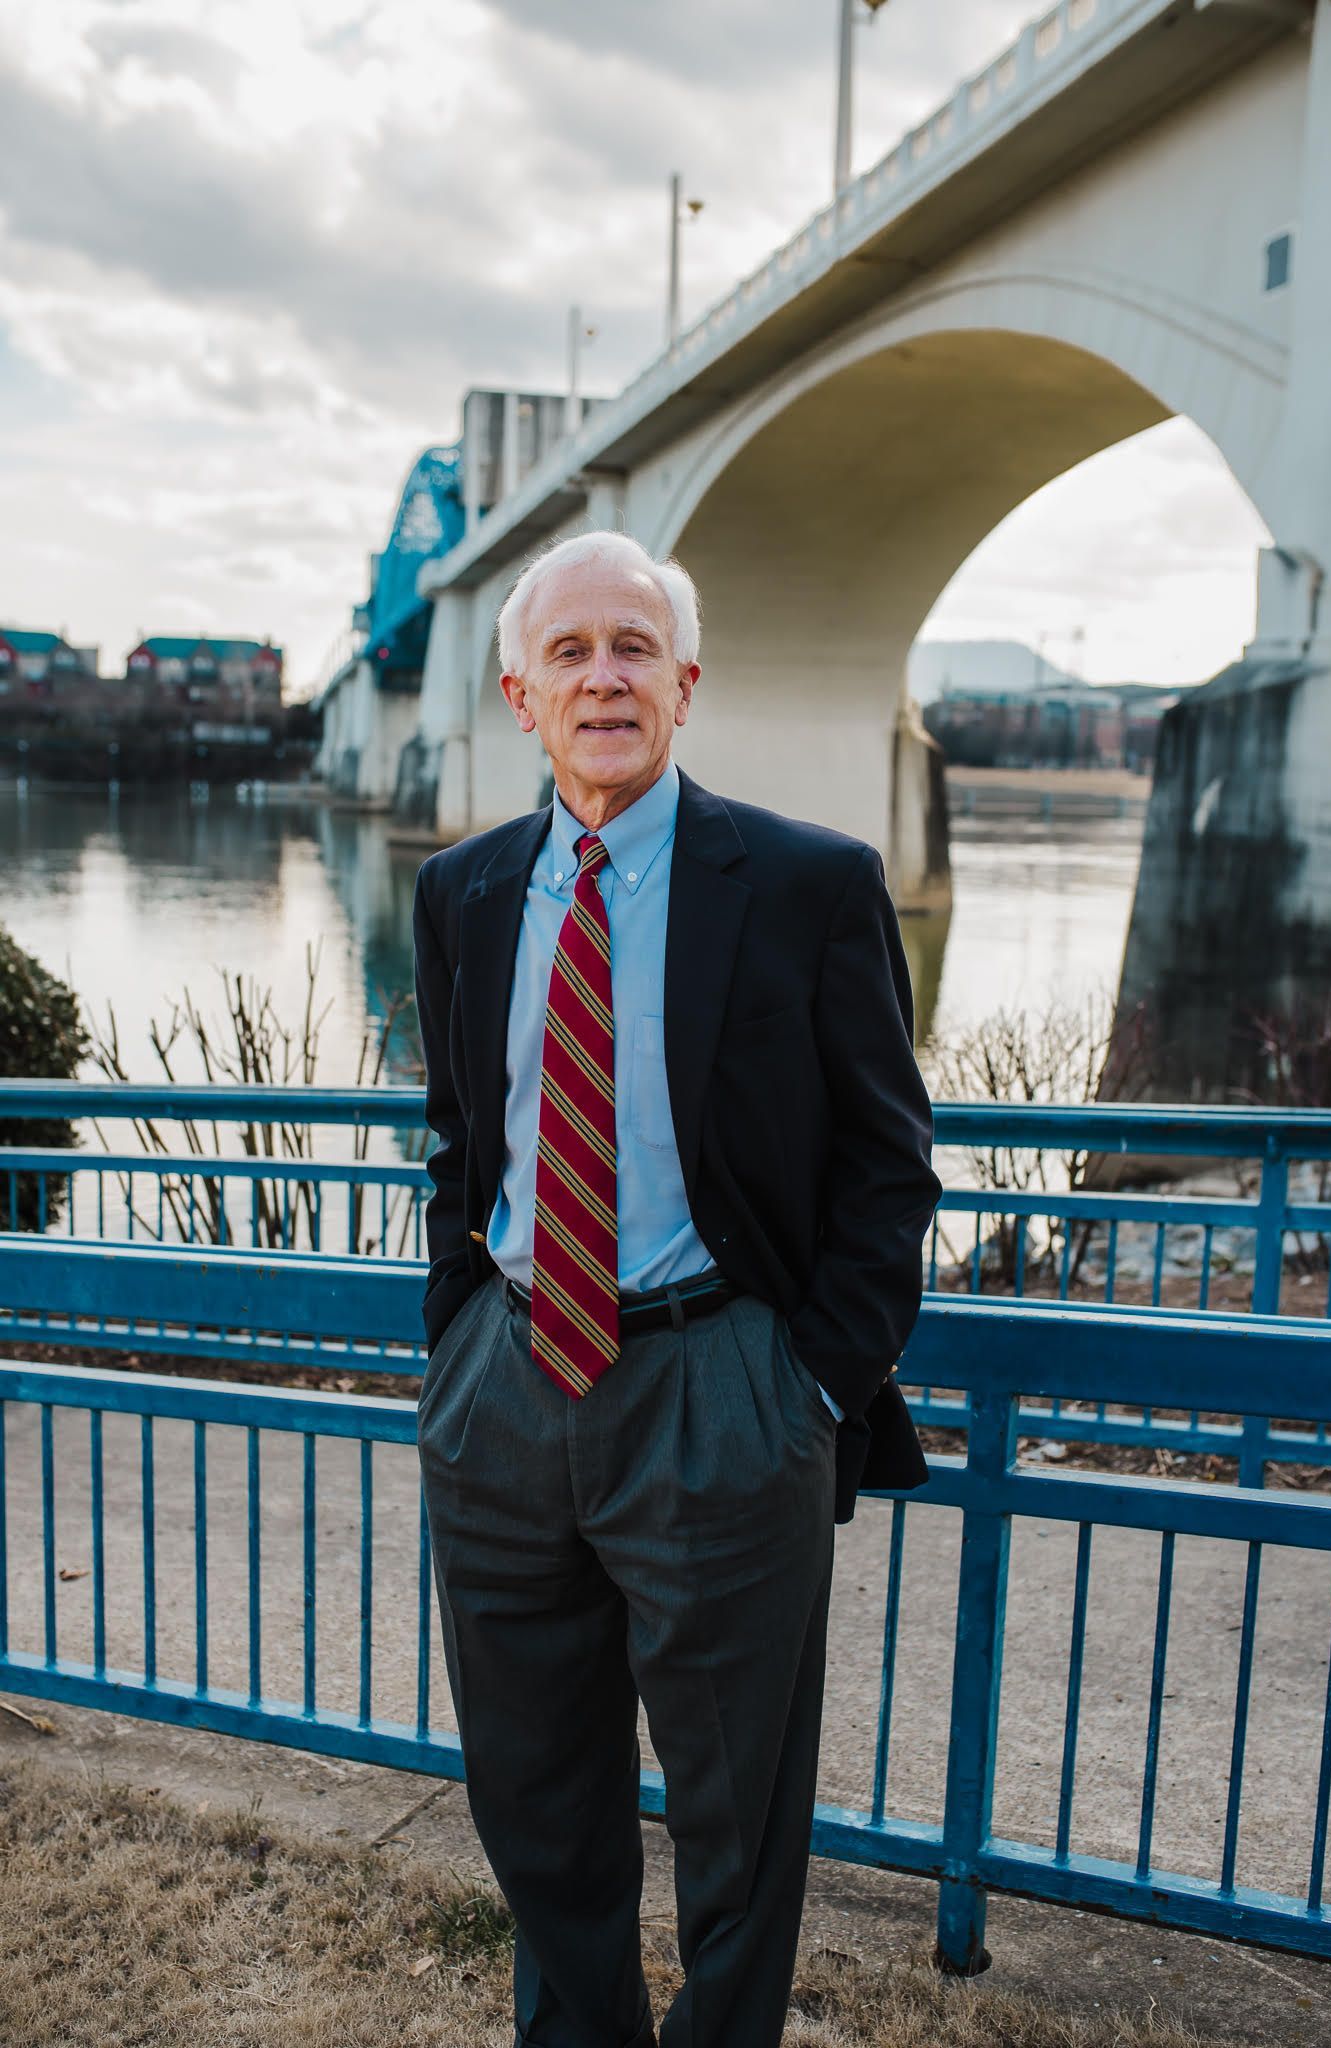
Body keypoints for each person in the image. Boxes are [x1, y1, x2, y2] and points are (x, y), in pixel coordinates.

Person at [412, 529, 940, 2048]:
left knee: (736, 1830)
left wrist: (809, 1388)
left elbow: (889, 1171)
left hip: (720, 1391)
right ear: (520, 694)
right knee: (537, 1807)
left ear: (686, 683)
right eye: (569, 653)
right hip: (505, 1394)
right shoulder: (466, 894)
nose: (603, 678)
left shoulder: (807, 885)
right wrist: (453, 1346)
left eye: (633, 647)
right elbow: (466, 1134)